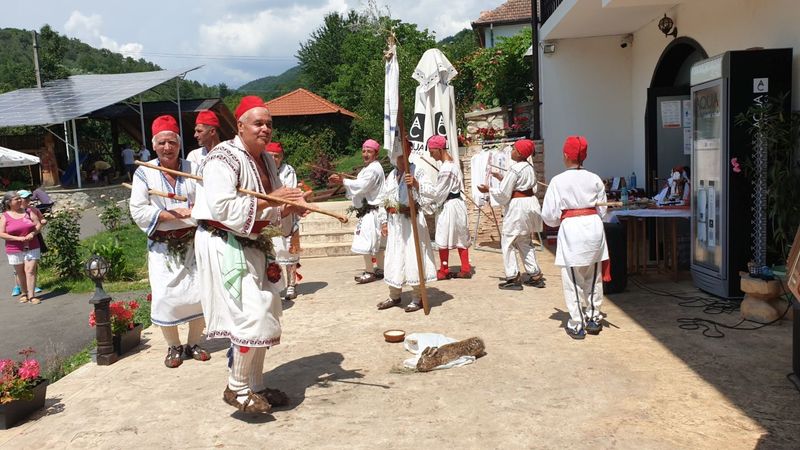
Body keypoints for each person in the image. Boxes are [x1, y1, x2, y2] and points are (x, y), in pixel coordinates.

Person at [192, 95, 307, 414]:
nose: (265, 129)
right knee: (251, 313)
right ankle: (236, 387)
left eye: (269, 123)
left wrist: (290, 207)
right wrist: (272, 201)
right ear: (240, 126)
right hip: (223, 242)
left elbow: (270, 207)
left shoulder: (267, 160)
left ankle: (254, 385)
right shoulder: (221, 158)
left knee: (268, 307)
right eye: (258, 123)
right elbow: (224, 207)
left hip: (252, 242)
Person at [129, 115, 211, 368]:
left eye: (172, 142)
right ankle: (173, 347)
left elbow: (208, 198)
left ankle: (194, 343)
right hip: (162, 247)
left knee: (199, 293)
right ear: (154, 145)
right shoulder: (144, 173)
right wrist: (171, 214)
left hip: (192, 243)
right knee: (165, 297)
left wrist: (197, 209)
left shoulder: (193, 169)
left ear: (178, 144)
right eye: (162, 142)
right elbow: (139, 210)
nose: (167, 148)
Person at [540, 136, 610, 340]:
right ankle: (594, 317)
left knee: (573, 279)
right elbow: (603, 210)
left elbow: (549, 215)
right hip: (594, 228)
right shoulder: (595, 178)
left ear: (565, 155)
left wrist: (559, 221)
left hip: (572, 230)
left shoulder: (558, 181)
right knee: (593, 277)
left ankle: (577, 323)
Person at [477, 139, 545, 290]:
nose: (512, 152)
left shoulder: (515, 169)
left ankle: (513, 277)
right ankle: (535, 275)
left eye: (513, 149)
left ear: (520, 153)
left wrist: (488, 189)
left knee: (507, 241)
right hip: (529, 206)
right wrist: (501, 177)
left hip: (518, 209)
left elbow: (504, 193)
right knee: (524, 241)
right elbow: (521, 186)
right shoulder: (529, 167)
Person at [376, 156, 437, 312]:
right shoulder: (391, 175)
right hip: (395, 223)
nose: (400, 158)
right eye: (397, 154)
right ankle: (394, 295)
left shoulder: (418, 171)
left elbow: (432, 193)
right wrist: (384, 221)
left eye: (402, 153)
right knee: (394, 257)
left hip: (411, 222)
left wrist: (417, 184)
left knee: (412, 257)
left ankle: (418, 297)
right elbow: (384, 198)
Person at [328, 139, 386, 284]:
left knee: (366, 240)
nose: (365, 154)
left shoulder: (373, 169)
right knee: (376, 242)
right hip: (371, 210)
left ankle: (370, 271)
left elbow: (363, 185)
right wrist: (346, 180)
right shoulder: (369, 168)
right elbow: (361, 184)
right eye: (364, 151)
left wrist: (344, 181)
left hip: (372, 211)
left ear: (376, 154)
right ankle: (380, 268)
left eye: (369, 151)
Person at [417, 135, 472, 280]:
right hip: (456, 204)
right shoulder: (451, 165)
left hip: (450, 206)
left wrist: (418, 186)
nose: (430, 154)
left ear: (439, 149)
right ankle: (464, 268)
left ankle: (444, 269)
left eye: (432, 150)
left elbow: (437, 193)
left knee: (443, 234)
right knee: (460, 235)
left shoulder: (447, 168)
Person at [265, 141, 302, 301]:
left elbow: (290, 191)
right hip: (269, 215)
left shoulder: (288, 171)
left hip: (287, 217)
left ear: (282, 157)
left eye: (277, 156)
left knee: (289, 251)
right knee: (272, 252)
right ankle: (274, 285)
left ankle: (291, 285)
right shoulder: (263, 169)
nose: (274, 159)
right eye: (271, 156)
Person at [0, 191, 43, 304]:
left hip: (32, 245)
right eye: (16, 199)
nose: (20, 200)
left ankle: (32, 296)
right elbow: (1, 233)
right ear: (9, 202)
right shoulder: (5, 216)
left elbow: (38, 224)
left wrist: (33, 234)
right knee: (20, 272)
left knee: (30, 271)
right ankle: (24, 293)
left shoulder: (28, 211)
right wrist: (18, 239)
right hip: (14, 248)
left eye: (20, 198)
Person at [10, 190, 45, 296]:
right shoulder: (11, 213)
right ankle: (18, 286)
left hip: (32, 239)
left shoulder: (32, 210)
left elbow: (40, 220)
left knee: (31, 267)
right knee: (19, 269)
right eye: (25, 198)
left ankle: (32, 287)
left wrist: (42, 222)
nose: (28, 200)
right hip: (17, 243)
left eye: (29, 198)